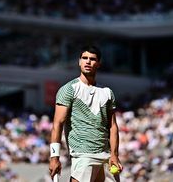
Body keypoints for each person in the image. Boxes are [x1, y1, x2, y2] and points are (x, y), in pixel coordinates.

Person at [49, 45, 123, 182]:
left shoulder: (107, 92)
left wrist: (114, 154)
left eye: (92, 59)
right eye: (84, 58)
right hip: (82, 154)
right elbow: (57, 124)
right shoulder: (69, 89)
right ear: (79, 61)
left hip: (106, 155)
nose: (88, 62)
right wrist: (54, 157)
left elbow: (113, 126)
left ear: (99, 64)